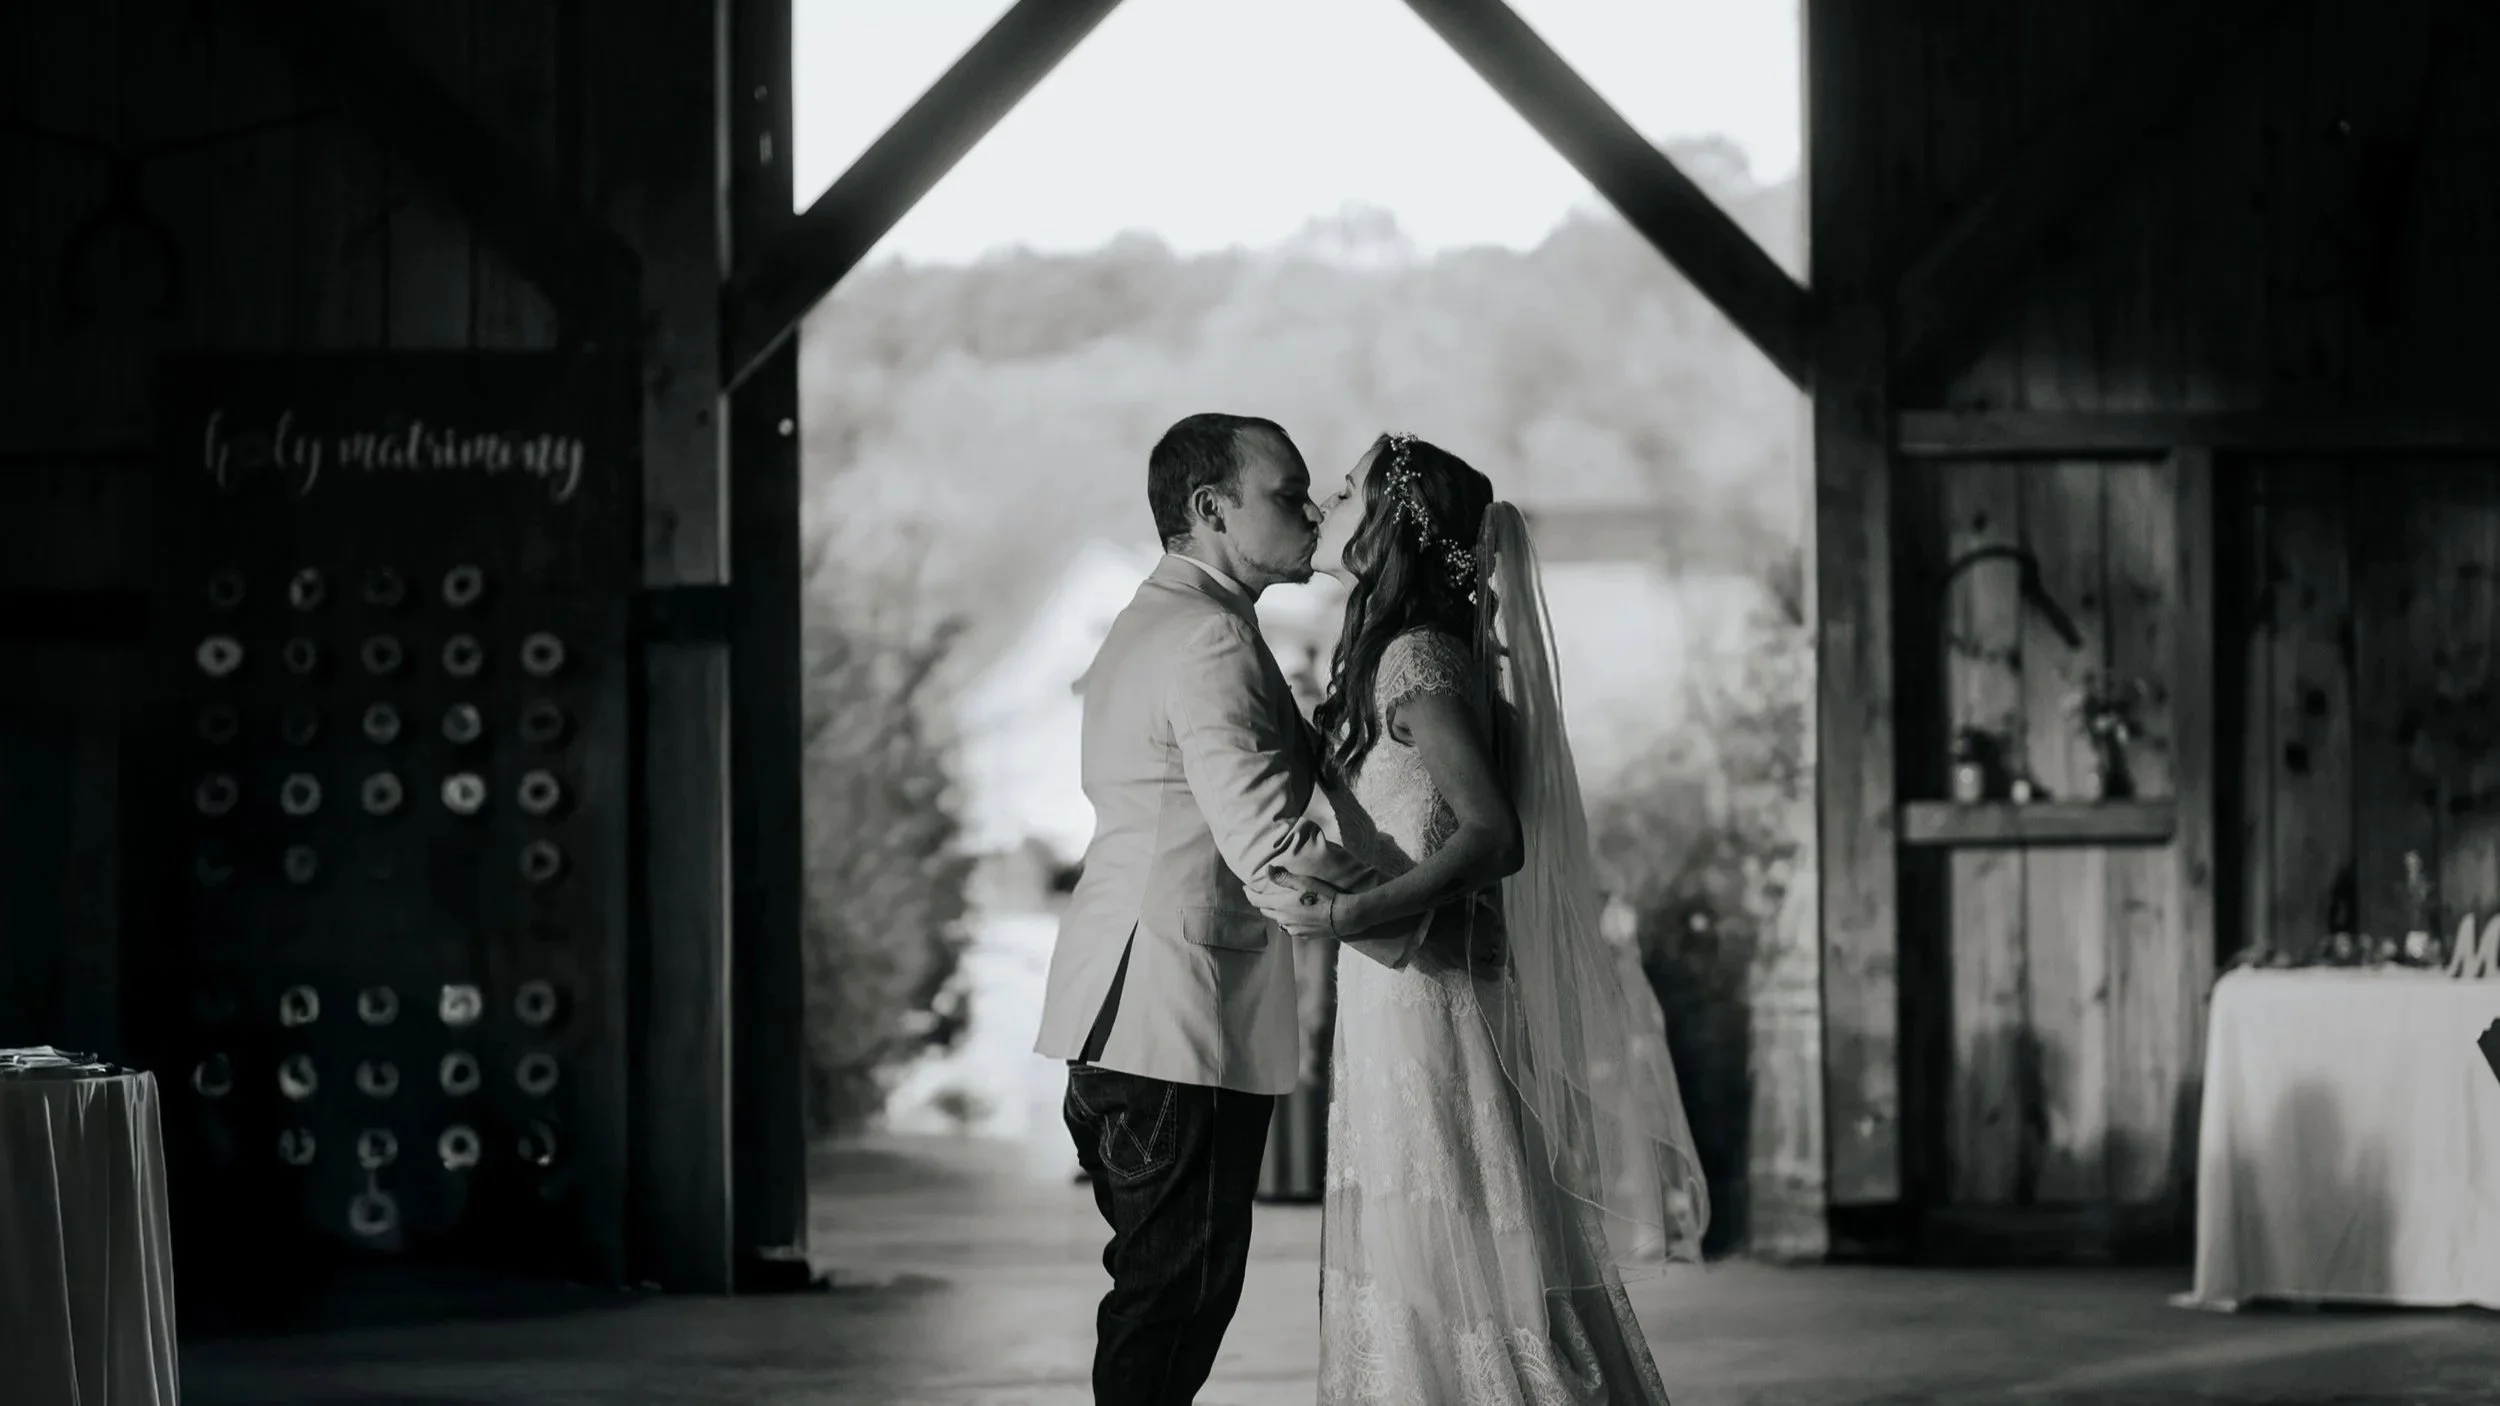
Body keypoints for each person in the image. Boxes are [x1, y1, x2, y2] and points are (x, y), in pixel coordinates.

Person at [1251, 432, 1711, 1404]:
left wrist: (1364, 907)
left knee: (1456, 1220)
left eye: (1354, 492)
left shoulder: (1417, 660)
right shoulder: (1406, 654)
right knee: (1426, 1225)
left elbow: (1491, 834)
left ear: (1397, 524)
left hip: (1431, 995)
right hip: (1397, 987)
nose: (1336, 507)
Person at [1033, 412, 1422, 1405]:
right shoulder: (1208, 634)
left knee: (1164, 1293)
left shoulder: (1159, 617)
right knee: (1175, 1298)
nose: (1310, 511)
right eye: (1285, 494)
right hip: (1175, 1019)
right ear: (1211, 510)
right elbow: (1269, 852)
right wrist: (1413, 923)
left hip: (1119, 1008)